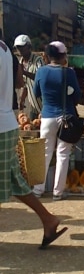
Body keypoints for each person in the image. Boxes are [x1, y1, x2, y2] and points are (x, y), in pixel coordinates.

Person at [0, 38, 67, 249]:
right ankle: (48, 219)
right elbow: (20, 82)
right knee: (15, 181)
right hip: (6, 122)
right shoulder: (5, 49)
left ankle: (48, 219)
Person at [32, 41, 81, 201]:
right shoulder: (69, 73)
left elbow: (36, 92)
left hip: (47, 117)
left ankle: (38, 190)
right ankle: (57, 192)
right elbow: (77, 97)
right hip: (65, 117)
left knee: (45, 153)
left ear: (47, 56)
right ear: (63, 56)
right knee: (63, 154)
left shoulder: (41, 72)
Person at [14, 34, 44, 120]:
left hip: (43, 104)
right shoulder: (21, 61)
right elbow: (25, 84)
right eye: (18, 47)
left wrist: (24, 72)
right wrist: (22, 99)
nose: (20, 50)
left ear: (29, 46)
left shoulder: (38, 60)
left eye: (22, 47)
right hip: (33, 106)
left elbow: (40, 78)